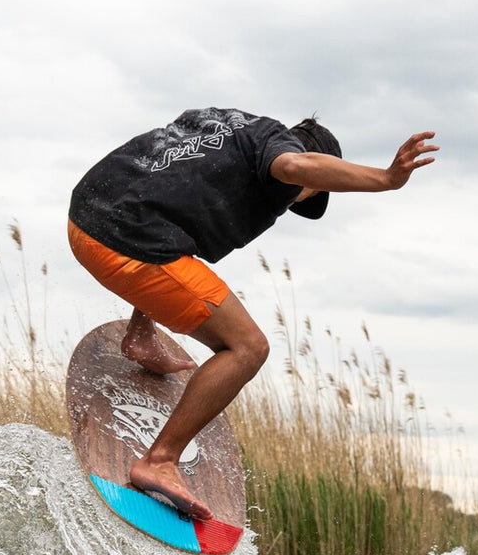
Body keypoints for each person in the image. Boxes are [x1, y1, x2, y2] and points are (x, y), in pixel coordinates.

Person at [68, 107, 436, 520]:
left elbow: (162, 196)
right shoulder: (281, 150)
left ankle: (141, 336)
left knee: (179, 256)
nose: (298, 197)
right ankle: (160, 460)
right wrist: (385, 179)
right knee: (247, 347)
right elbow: (295, 165)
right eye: (311, 189)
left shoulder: (226, 127)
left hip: (85, 220)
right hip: (125, 244)